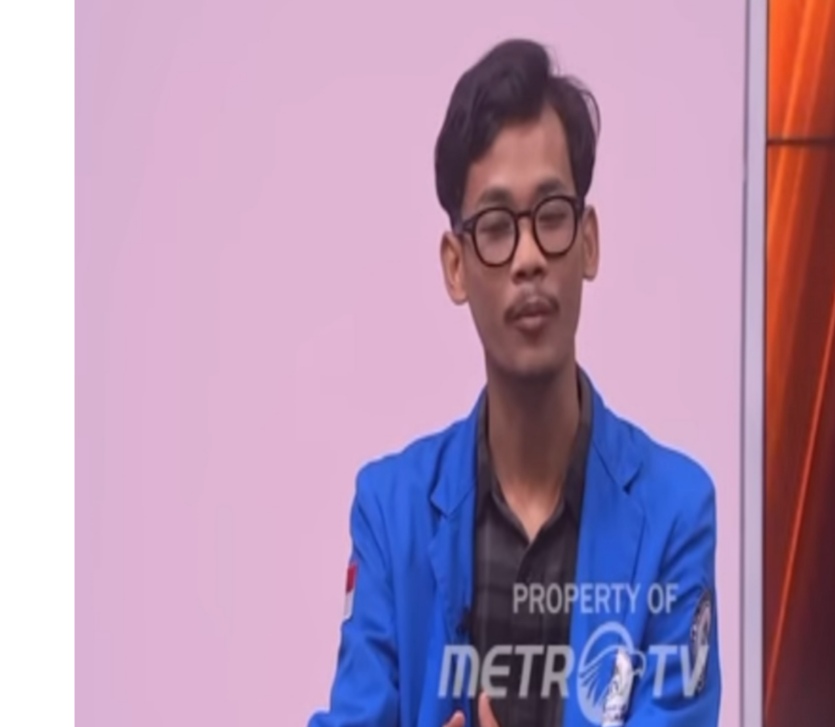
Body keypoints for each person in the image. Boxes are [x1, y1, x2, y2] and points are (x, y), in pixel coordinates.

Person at [308, 38, 721, 727]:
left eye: (551, 216)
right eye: (497, 227)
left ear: (588, 241)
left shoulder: (675, 511)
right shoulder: (391, 510)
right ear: (455, 265)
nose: (529, 257)